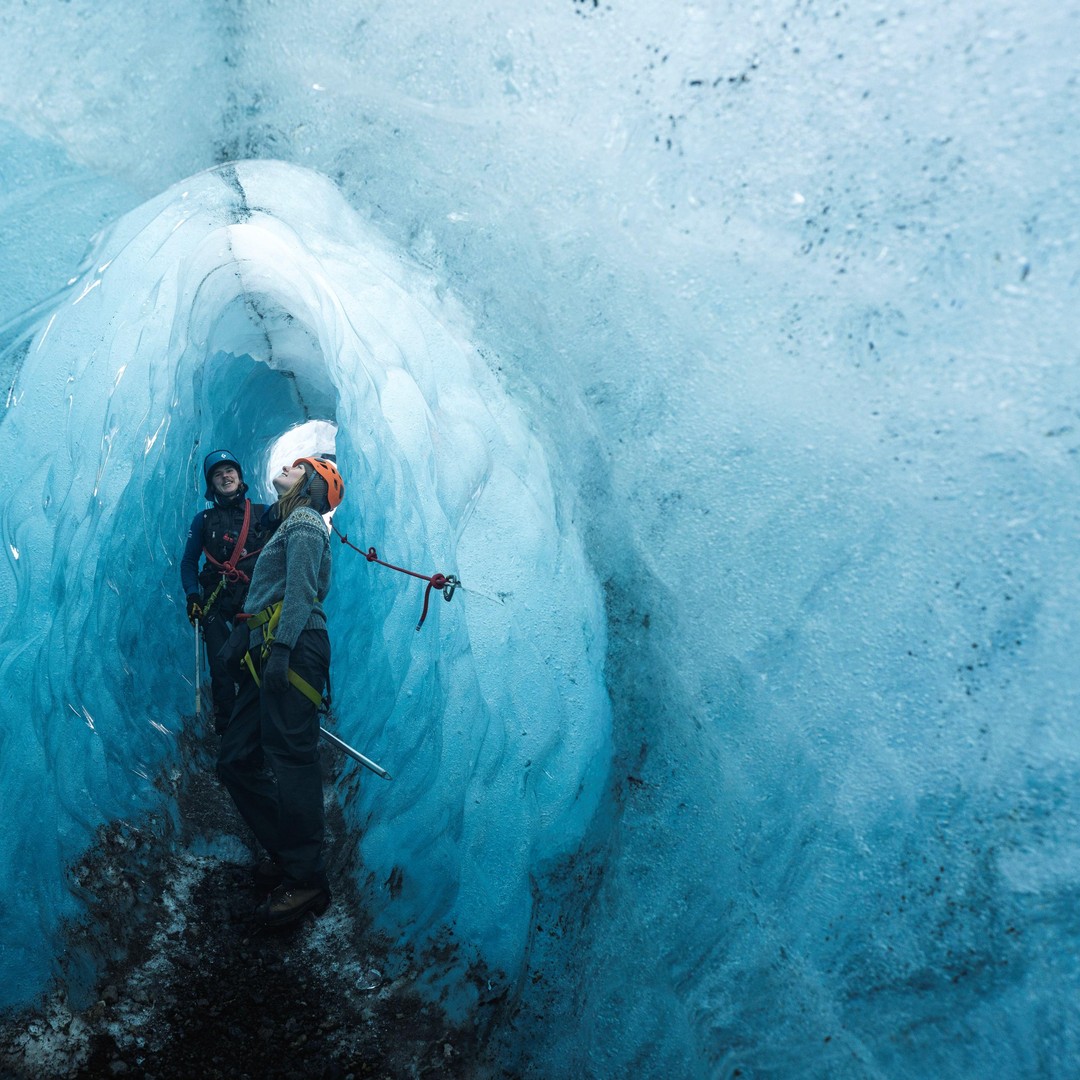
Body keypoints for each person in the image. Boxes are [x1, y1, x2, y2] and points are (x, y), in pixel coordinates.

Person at [216, 456, 345, 925]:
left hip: (292, 647)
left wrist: (285, 648)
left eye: (299, 467)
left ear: (311, 484)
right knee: (235, 759)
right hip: (269, 649)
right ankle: (292, 857)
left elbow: (301, 591)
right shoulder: (291, 524)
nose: (288, 468)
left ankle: (306, 879)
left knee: (292, 760)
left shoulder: (307, 522)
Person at [181, 450, 270, 734]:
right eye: (218, 474)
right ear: (212, 484)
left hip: (254, 597)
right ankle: (228, 734)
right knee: (221, 667)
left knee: (256, 663)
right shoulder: (203, 520)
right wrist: (192, 596)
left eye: (230, 470)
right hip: (216, 600)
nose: (225, 476)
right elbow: (188, 561)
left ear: (240, 477)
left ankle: (256, 727)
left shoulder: (263, 514)